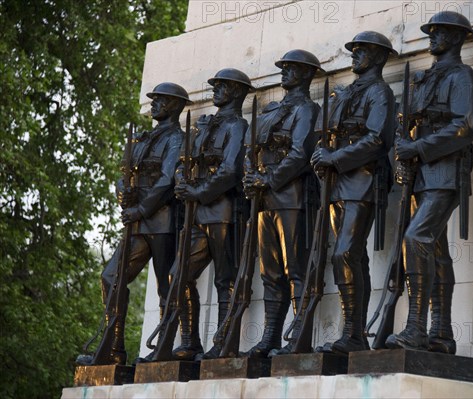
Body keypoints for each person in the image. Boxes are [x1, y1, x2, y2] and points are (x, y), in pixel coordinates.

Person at [386, 11, 473, 354]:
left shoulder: (462, 76)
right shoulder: (423, 80)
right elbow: (405, 125)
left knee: (417, 238)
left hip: (445, 171)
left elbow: (464, 126)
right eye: (433, 31)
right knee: (437, 253)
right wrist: (402, 150)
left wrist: (418, 147)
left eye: (441, 32)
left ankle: (415, 329)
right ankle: (441, 333)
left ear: (457, 38)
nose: (433, 36)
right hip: (420, 175)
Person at [77, 82, 190, 365]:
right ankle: (113, 347)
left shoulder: (176, 138)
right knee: (111, 276)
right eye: (154, 100)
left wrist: (139, 209)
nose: (153, 104)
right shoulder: (142, 138)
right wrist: (121, 192)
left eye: (160, 100)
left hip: (162, 222)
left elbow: (167, 180)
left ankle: (164, 347)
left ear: (174, 106)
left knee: (168, 286)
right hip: (138, 222)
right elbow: (123, 173)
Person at [311, 31, 397, 354]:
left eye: (362, 50)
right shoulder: (345, 93)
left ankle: (352, 333)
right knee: (353, 257)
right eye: (355, 49)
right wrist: (322, 154)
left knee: (344, 253)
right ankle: (356, 334)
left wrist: (334, 157)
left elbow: (377, 140)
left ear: (378, 57)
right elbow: (326, 131)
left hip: (363, 180)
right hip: (336, 184)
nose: (355, 54)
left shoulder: (380, 93)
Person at [167, 68, 253, 361]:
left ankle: (225, 342)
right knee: (177, 276)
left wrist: (199, 191)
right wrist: (182, 183)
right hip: (197, 212)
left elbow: (231, 170)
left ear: (237, 92)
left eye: (222, 85)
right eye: (215, 84)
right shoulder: (203, 127)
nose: (215, 89)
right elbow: (181, 163)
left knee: (225, 278)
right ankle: (190, 341)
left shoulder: (237, 126)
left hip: (223, 211)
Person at [242, 49, 321, 358]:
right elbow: (251, 151)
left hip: (292, 197)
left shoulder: (307, 109)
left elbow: (301, 152)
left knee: (296, 270)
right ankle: (270, 337)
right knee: (270, 273)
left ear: (306, 74)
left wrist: (269, 179)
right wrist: (251, 176)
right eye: (284, 67)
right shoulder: (271, 111)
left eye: (292, 68)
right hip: (264, 199)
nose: (285, 71)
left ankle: (298, 337)